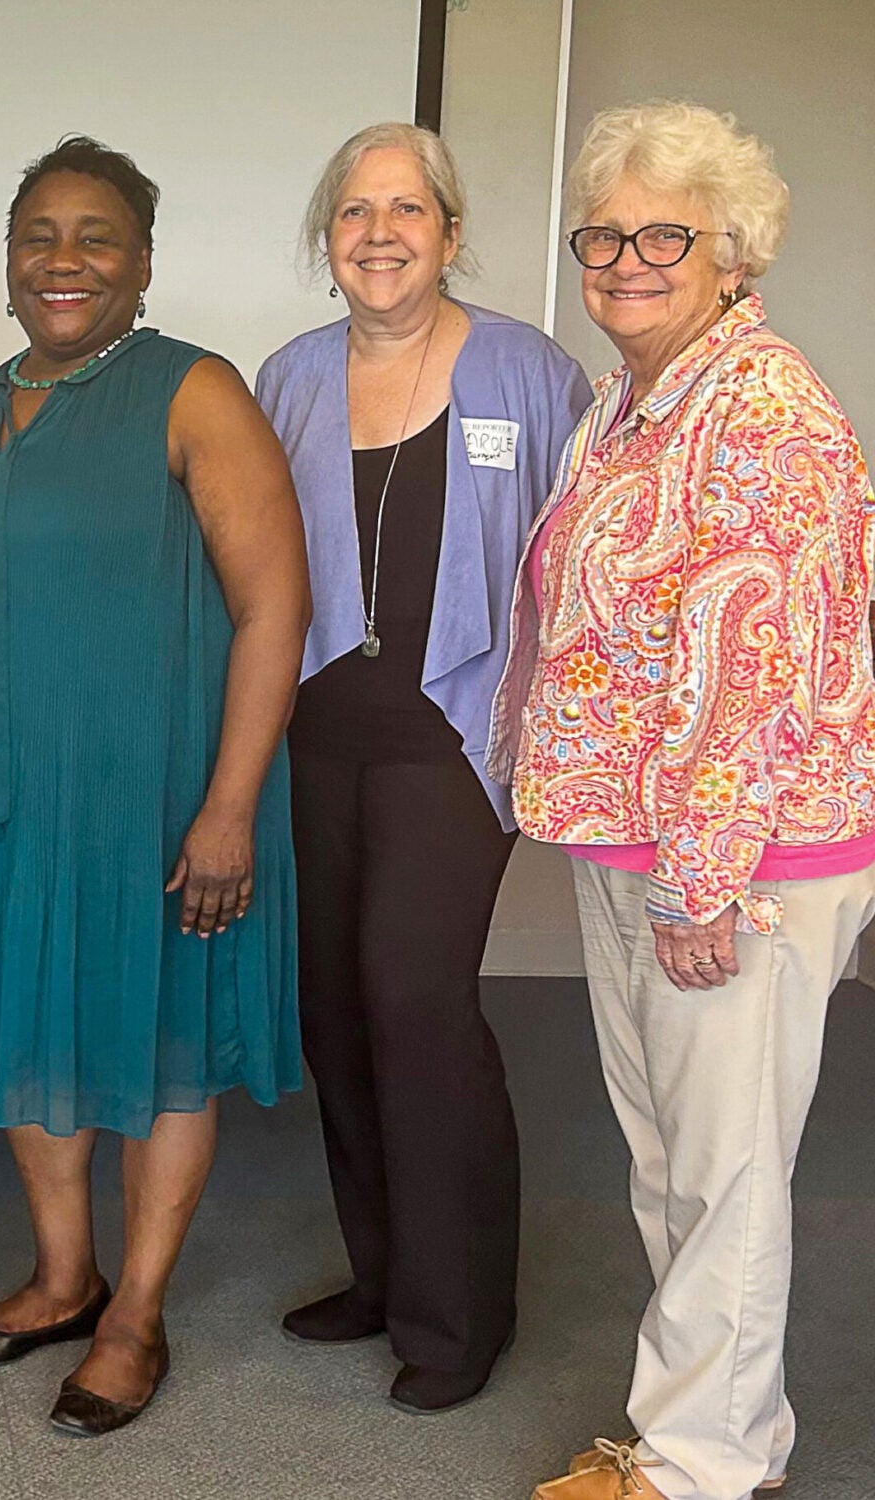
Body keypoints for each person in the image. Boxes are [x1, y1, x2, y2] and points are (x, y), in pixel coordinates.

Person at [0, 137, 310, 1435]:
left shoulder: (192, 390)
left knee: (159, 1041)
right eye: (37, 237)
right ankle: (64, 1278)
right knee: (32, 1029)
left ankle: (136, 1314)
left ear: (143, 261)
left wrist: (228, 808)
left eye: (95, 236)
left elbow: (274, 608)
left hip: (149, 795)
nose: (63, 261)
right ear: (8, 262)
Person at [493, 103, 875, 1500]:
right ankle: (723, 1435)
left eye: (665, 235)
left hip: (737, 856)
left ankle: (697, 1465)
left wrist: (705, 880)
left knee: (722, 1169)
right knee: (671, 1155)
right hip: (642, 837)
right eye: (603, 236)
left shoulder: (760, 407)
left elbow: (750, 663)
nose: (626, 261)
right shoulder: (635, 399)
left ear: (732, 252)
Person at [254, 123, 591, 1413]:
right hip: (313, 736)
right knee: (333, 1007)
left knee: (413, 998)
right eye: (353, 211)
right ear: (324, 237)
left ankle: (457, 1317)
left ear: (448, 233)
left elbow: (581, 560)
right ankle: (381, 1275)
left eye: (406, 210)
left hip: (451, 740)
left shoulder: (528, 369)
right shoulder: (288, 378)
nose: (378, 234)